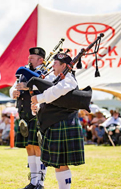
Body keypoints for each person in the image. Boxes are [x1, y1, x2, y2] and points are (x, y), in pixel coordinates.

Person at [31, 53, 85, 189]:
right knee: (57, 163)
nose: (53, 65)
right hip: (53, 124)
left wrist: (39, 98)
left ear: (64, 66)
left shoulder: (69, 80)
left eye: (56, 63)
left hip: (64, 123)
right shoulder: (54, 78)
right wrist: (36, 107)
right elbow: (49, 102)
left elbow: (56, 92)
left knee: (61, 163)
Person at [9, 47, 47, 189]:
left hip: (38, 113)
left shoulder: (45, 72)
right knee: (29, 147)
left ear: (40, 60)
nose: (29, 60)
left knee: (38, 147)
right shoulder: (23, 71)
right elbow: (13, 86)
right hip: (24, 113)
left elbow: (45, 89)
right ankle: (33, 181)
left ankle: (40, 183)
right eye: (29, 57)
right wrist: (14, 92)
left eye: (32, 58)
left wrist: (28, 87)